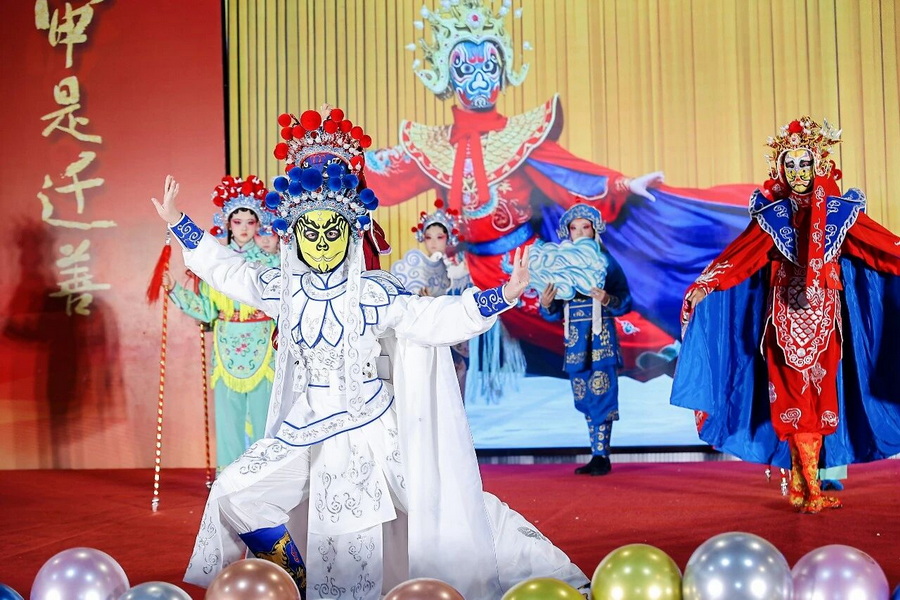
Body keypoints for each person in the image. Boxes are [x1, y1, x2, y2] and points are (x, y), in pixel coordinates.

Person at [152, 107, 590, 599]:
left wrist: (503, 295)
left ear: (351, 234)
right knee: (237, 492)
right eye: (310, 233)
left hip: (370, 427)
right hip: (302, 426)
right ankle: (295, 579)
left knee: (444, 507)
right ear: (295, 236)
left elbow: (433, 317)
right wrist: (179, 222)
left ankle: (545, 573)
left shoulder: (372, 293)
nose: (322, 245)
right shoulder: (283, 287)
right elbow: (229, 270)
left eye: (332, 232)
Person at [364, 0, 757, 381]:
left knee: (575, 309)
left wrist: (622, 185)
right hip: (472, 268)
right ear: (446, 75)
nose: (480, 79)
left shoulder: (522, 136)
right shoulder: (431, 146)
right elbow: (383, 177)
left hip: (526, 259)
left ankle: (661, 351)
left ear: (504, 71)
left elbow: (572, 176)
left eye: (489, 66)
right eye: (466, 68)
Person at [672, 116, 900, 513]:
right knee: (793, 398)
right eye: (789, 164)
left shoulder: (840, 214)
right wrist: (707, 286)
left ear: (819, 165)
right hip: (783, 323)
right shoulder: (773, 216)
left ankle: (802, 486)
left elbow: (879, 248)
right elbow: (741, 258)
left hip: (826, 321)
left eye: (804, 163)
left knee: (820, 398)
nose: (796, 172)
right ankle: (809, 490)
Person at [163, 176, 279, 470]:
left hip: (264, 343)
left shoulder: (271, 262)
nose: (243, 228)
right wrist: (174, 289)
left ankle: (263, 475)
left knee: (265, 415)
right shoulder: (215, 262)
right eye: (237, 221)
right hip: (226, 344)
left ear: (259, 224)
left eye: (249, 222)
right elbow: (206, 310)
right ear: (227, 223)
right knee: (228, 418)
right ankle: (228, 478)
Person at [538, 205, 632, 476]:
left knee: (602, 391)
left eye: (585, 227)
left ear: (594, 231)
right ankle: (596, 454)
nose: (579, 232)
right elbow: (552, 310)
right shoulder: (560, 264)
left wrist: (607, 298)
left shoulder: (605, 261)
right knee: (584, 395)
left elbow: (625, 300)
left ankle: (602, 455)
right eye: (574, 228)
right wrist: (547, 303)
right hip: (576, 339)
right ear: (567, 232)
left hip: (601, 336)